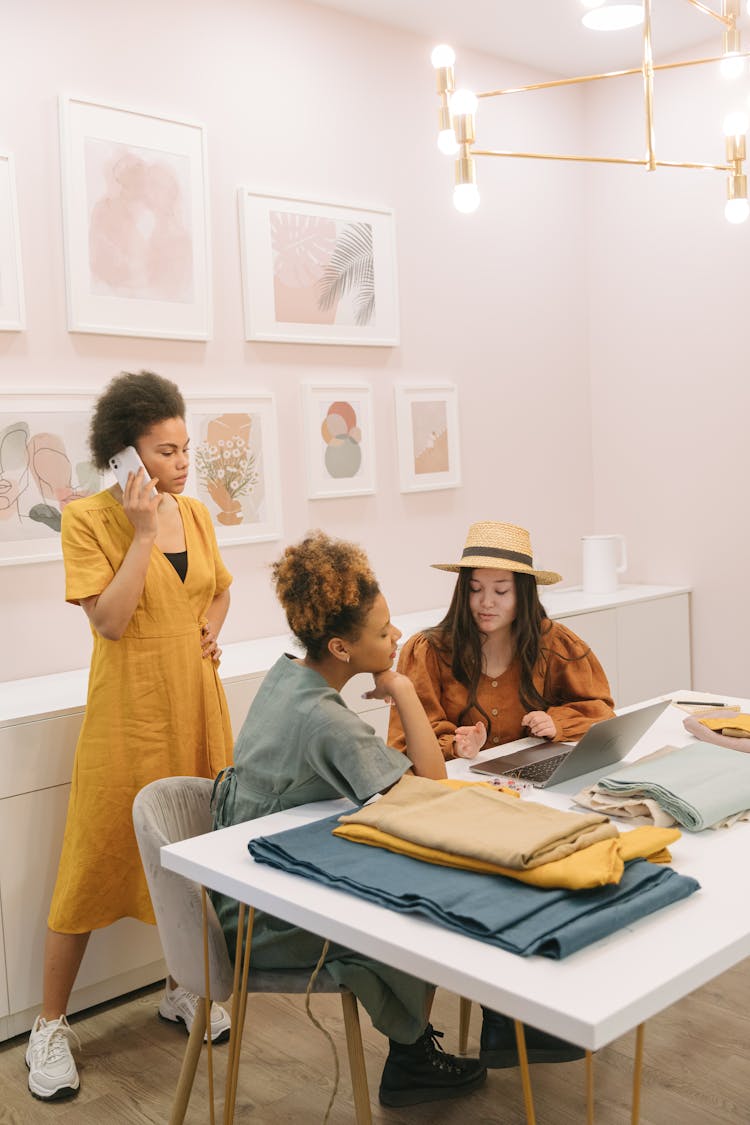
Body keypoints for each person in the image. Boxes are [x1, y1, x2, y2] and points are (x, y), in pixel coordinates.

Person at [211, 531, 487, 1108]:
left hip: (237, 886)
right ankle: (412, 1059)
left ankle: (411, 1051)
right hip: (264, 918)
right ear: (340, 648)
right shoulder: (324, 720)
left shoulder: (286, 674)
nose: (396, 637)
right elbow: (431, 789)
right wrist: (404, 689)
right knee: (420, 904)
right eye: (383, 632)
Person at [26, 371, 234, 1102]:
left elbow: (219, 587)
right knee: (93, 863)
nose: (182, 464)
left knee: (195, 858)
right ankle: (49, 1027)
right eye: (166, 451)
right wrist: (144, 531)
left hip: (195, 707)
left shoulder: (199, 514)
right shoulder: (89, 521)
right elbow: (110, 620)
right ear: (125, 459)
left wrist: (212, 626)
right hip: (126, 715)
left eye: (185, 448)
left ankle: (183, 989)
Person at [389, 519, 614, 1069]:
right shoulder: (427, 651)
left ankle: (515, 1017)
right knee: (478, 883)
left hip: (523, 797)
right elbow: (402, 742)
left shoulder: (557, 644)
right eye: (474, 588)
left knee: (552, 867)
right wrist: (453, 743)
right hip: (449, 806)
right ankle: (485, 1027)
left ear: (524, 593)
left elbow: (602, 712)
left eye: (500, 590)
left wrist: (552, 721)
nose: (485, 602)